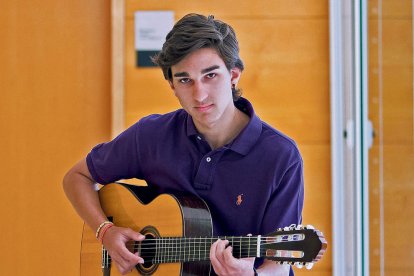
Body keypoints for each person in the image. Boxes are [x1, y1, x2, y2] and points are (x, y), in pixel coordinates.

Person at [63, 13, 304, 276]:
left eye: (210, 75)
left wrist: (252, 275)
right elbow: (77, 177)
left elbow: (279, 266)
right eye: (185, 80)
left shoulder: (281, 156)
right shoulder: (151, 135)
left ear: (233, 75)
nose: (199, 95)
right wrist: (105, 231)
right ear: (172, 86)